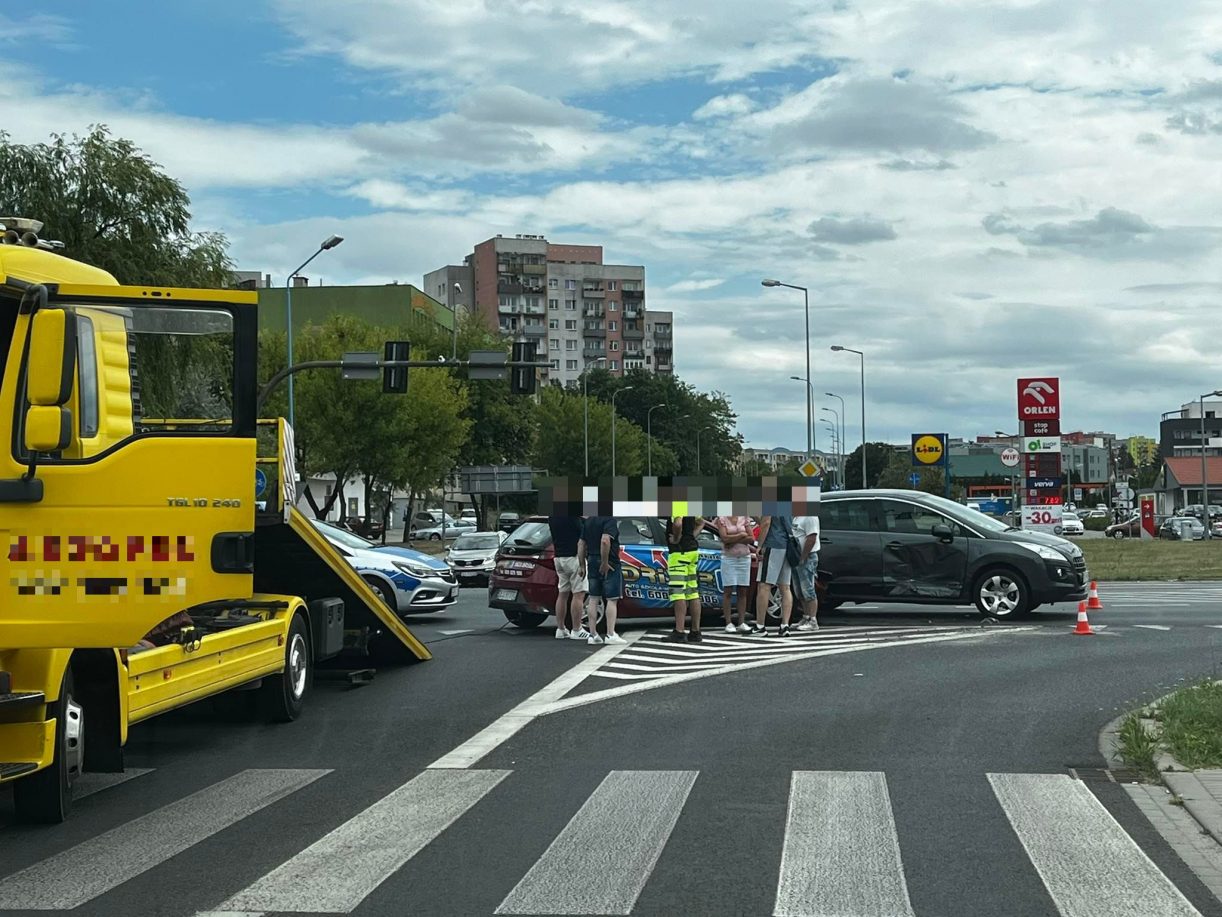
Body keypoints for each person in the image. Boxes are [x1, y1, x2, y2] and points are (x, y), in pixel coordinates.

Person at [578, 514, 625, 645]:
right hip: (609, 561)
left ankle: (593, 635)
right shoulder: (609, 520)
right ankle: (610, 634)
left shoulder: (589, 521)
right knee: (612, 599)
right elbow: (605, 540)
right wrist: (604, 562)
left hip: (591, 559)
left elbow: (581, 543)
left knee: (593, 598)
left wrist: (582, 565)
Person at [753, 513, 797, 636]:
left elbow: (766, 522)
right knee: (785, 587)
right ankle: (785, 625)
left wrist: (760, 545)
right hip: (786, 544)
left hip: (772, 543)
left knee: (764, 585)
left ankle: (760, 626)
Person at [548, 512, 588, 641]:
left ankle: (560, 628)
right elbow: (583, 534)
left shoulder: (552, 516)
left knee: (563, 593)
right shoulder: (572, 517)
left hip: (559, 557)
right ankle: (577, 629)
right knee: (578, 594)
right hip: (574, 557)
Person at [665, 515, 704, 642]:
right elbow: (701, 522)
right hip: (692, 551)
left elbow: (677, 523)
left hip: (679, 553)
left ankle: (679, 631)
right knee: (692, 592)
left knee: (678, 592)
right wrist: (691, 536)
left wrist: (677, 538)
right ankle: (695, 631)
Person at [715, 514, 754, 633]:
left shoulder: (744, 518)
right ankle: (728, 622)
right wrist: (741, 536)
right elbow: (724, 538)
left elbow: (751, 538)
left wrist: (733, 539)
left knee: (742, 590)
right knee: (728, 590)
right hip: (729, 558)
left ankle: (741, 622)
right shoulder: (722, 519)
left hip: (744, 557)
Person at [790, 512, 821, 631]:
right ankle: (806, 616)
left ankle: (813, 620)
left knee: (808, 589)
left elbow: (811, 538)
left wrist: (803, 557)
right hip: (796, 557)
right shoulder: (797, 516)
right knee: (799, 591)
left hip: (807, 557)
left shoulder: (810, 516)